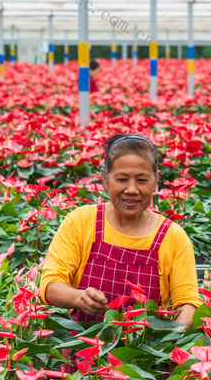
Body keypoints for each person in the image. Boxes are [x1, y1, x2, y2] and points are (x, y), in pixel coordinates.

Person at [40, 134, 201, 328]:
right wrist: (79, 298)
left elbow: (188, 303)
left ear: (156, 180)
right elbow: (50, 285)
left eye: (142, 180)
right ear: (105, 179)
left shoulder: (173, 236)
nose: (131, 189)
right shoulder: (81, 222)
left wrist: (173, 336)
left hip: (148, 345)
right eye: (122, 179)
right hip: (84, 343)